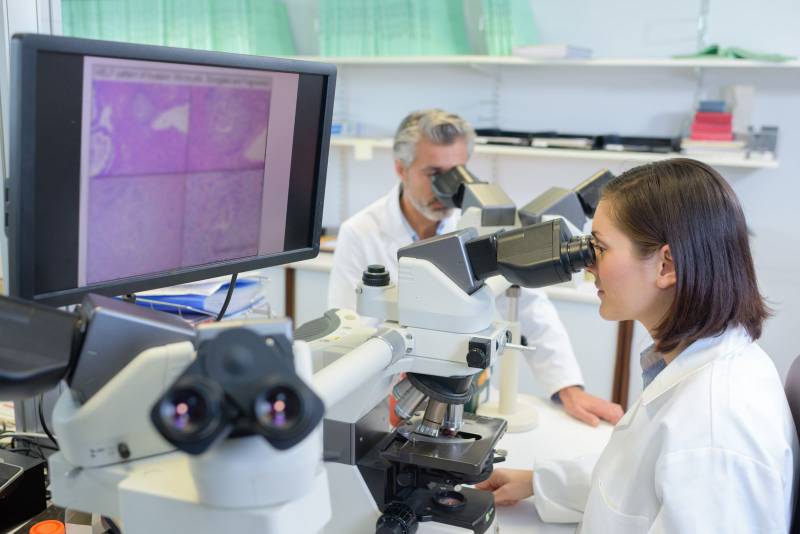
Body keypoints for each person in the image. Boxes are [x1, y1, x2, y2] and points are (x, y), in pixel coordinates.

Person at [476, 158, 799, 532]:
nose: (587, 266)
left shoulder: (716, 430)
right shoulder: (695, 363)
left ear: (666, 266)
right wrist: (539, 483)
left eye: (599, 248)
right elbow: (636, 479)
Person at [328, 108, 623, 426]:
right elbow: (349, 329)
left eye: (456, 173)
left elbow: (531, 309)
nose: (446, 189)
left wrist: (568, 387)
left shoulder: (480, 225)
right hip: (388, 391)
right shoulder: (361, 231)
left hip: (466, 391)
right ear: (401, 168)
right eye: (434, 174)